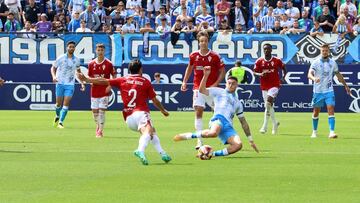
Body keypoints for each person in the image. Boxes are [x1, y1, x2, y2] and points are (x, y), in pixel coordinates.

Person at [77, 59, 172, 165]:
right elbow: (155, 100)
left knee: (151, 132)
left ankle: (163, 154)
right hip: (140, 113)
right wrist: (163, 110)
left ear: (129, 70)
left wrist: (87, 79)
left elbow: (103, 81)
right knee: (148, 132)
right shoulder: (145, 82)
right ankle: (140, 150)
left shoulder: (123, 79)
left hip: (128, 118)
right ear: (141, 69)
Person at [174, 66, 259, 158]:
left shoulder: (238, 103)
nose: (230, 85)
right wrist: (205, 75)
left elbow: (243, 122)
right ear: (226, 84)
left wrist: (251, 140)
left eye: (233, 84)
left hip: (228, 127)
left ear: (237, 85)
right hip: (218, 119)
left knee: (238, 145)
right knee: (213, 133)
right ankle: (189, 136)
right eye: (229, 83)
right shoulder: (219, 91)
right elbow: (202, 90)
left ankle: (211, 154)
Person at [181, 31, 225, 149]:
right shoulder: (194, 55)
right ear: (198, 42)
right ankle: (199, 141)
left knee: (218, 113)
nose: (203, 43)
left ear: (208, 42)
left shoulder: (215, 56)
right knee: (198, 111)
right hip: (198, 88)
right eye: (201, 41)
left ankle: (223, 135)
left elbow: (222, 71)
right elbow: (189, 68)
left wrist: (216, 83)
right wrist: (184, 81)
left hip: (212, 89)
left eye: (205, 41)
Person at [308, 44, 350, 139]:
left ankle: (331, 132)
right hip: (318, 91)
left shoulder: (333, 63)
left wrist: (346, 86)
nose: (324, 52)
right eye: (323, 51)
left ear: (329, 51)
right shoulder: (315, 62)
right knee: (316, 111)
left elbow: (338, 75)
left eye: (326, 50)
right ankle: (314, 132)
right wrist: (314, 78)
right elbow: (309, 74)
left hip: (329, 90)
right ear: (320, 51)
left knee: (330, 108)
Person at [51, 41, 85, 129]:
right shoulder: (61, 58)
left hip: (70, 84)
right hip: (60, 83)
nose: (71, 48)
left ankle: (61, 122)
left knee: (66, 103)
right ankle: (57, 115)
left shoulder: (76, 60)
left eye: (73, 47)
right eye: (70, 47)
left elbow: (78, 72)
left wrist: (82, 83)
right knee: (58, 104)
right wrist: (54, 76)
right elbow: (53, 68)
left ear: (74, 48)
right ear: (67, 48)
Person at [254, 43, 287, 135]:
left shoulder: (276, 60)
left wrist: (283, 77)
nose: (266, 51)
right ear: (263, 50)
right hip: (264, 86)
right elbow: (254, 72)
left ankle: (264, 127)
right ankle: (275, 123)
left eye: (268, 49)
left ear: (271, 50)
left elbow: (284, 68)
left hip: (274, 85)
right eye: (265, 49)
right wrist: (260, 74)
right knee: (268, 106)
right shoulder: (259, 61)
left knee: (268, 102)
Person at [87, 43, 116, 138]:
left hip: (104, 91)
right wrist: (90, 81)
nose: (100, 52)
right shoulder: (91, 64)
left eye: (102, 50)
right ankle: (98, 126)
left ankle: (100, 131)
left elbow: (114, 76)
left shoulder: (109, 63)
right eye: (98, 50)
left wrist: (110, 85)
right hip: (94, 90)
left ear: (104, 51)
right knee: (95, 112)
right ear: (96, 51)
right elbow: (89, 76)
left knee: (102, 111)